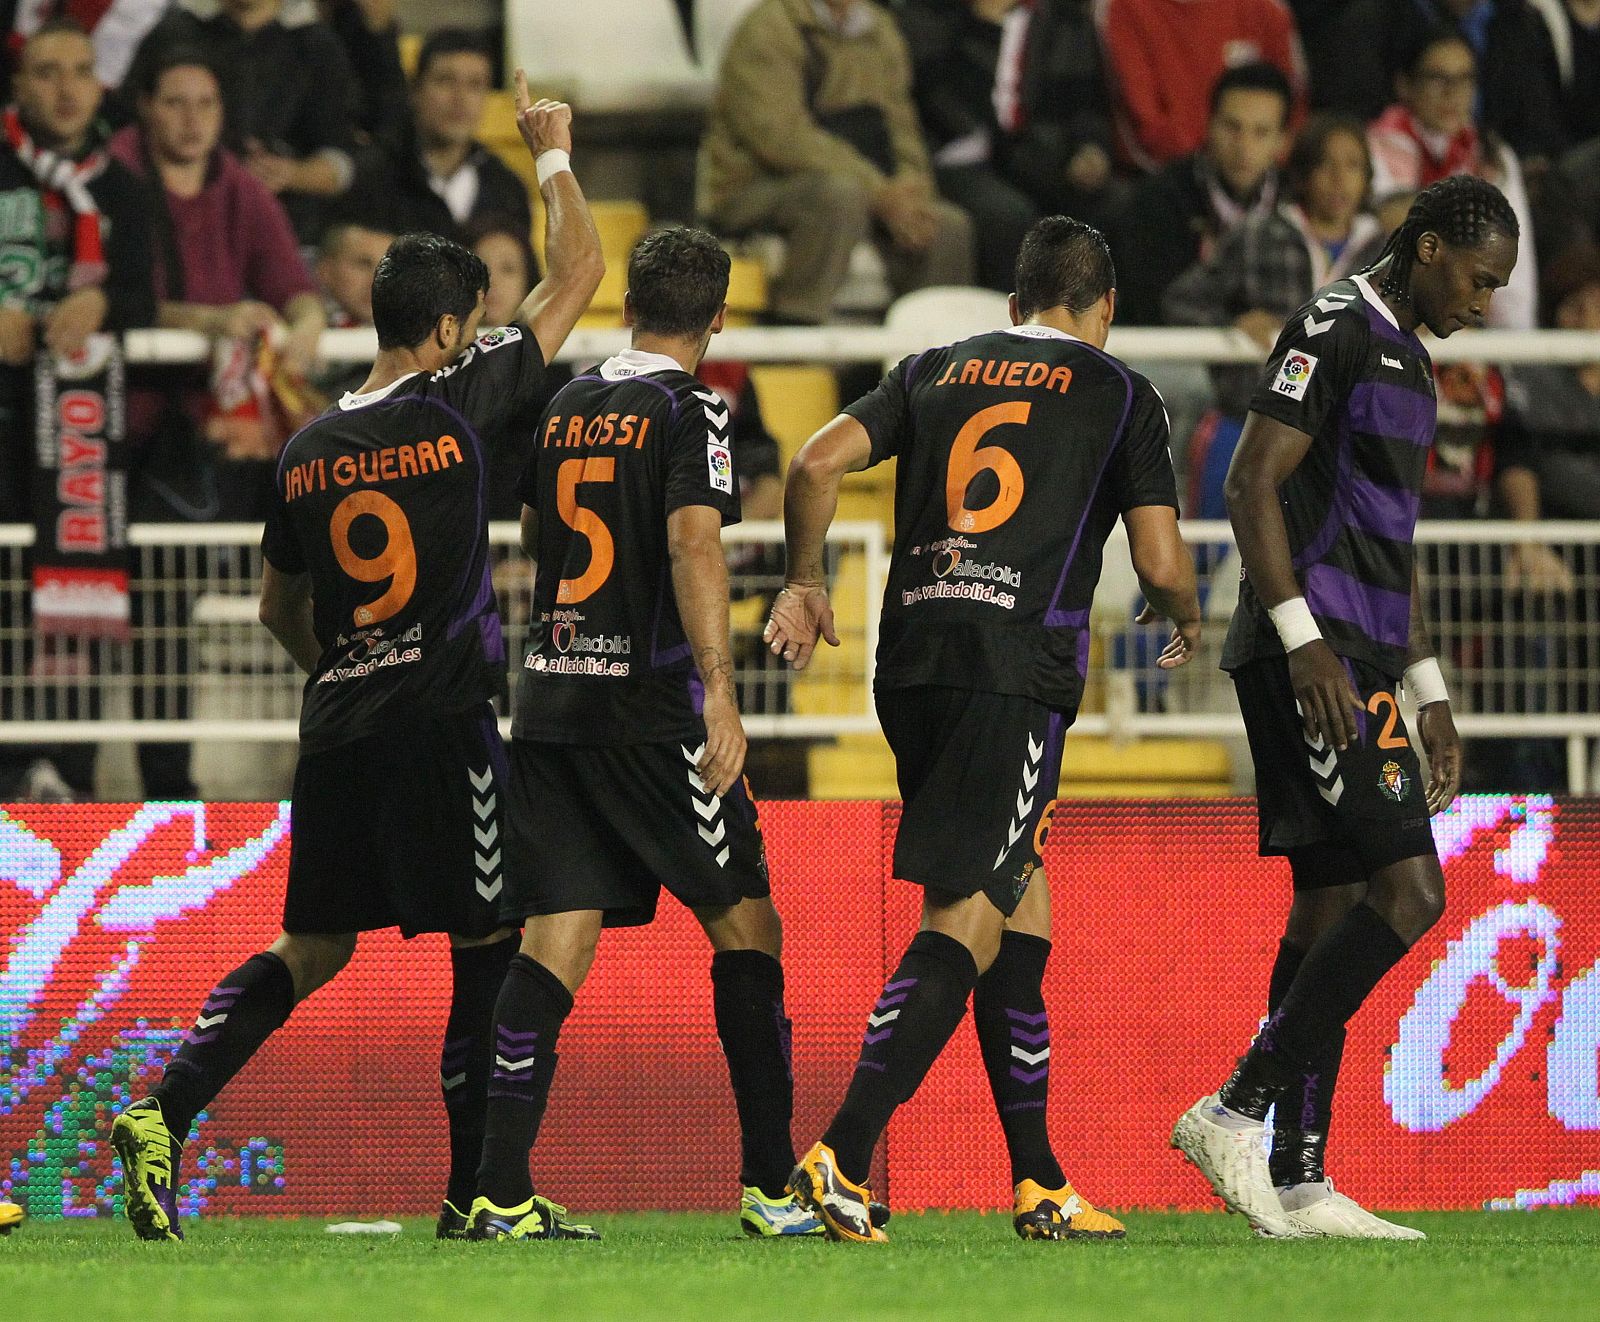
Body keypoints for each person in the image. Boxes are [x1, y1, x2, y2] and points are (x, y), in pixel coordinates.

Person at [107, 77, 605, 1245]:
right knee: (490, 939)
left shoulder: (305, 447)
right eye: (469, 322)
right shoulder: (457, 402)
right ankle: (480, 1190)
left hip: (338, 724)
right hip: (443, 722)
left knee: (313, 944)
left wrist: (343, 666)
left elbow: (280, 601)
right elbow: (578, 274)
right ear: (443, 332)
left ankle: (163, 1107)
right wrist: (550, 158)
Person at [765, 217, 1202, 1242]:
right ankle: (840, 1153)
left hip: (909, 661)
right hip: (1011, 670)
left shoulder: (932, 366)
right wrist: (1181, 612)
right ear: (1105, 311)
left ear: (1012, 306)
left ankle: (1040, 1176)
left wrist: (802, 576)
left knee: (1019, 902)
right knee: (965, 911)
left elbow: (816, 463)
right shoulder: (1118, 389)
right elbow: (1162, 556)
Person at [1170, 175, 1520, 1239]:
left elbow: (1385, 544)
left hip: (1362, 651)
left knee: (1328, 904)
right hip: (1310, 654)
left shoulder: (1411, 353)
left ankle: (1299, 1174)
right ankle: (1234, 1105)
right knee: (1411, 890)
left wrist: (1431, 691)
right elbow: (1247, 484)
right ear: (1423, 249)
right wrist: (1304, 642)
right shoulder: (1334, 323)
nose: (1486, 300)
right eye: (1476, 276)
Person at [467, 227, 822, 1242]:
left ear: (628, 303)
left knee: (558, 937)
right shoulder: (693, 406)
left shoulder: (569, 399)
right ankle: (767, 1184)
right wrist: (719, 688)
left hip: (550, 698)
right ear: (717, 317)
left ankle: (496, 1188)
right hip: (647, 704)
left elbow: (538, 536)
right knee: (748, 926)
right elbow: (691, 539)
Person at [0, 18, 156, 802]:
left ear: (100, 84)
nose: (66, 89)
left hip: (78, 451)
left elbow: (143, 297)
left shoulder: (122, 184)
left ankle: (73, 792)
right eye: (48, 72)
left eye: (80, 72)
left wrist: (101, 304)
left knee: (78, 620)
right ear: (20, 86)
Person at [698, 0, 974, 325]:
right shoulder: (769, 27)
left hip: (864, 187)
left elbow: (901, 125)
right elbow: (782, 138)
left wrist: (913, 191)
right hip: (754, 187)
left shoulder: (879, 29)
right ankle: (796, 333)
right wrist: (879, 193)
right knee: (837, 198)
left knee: (946, 226)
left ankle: (933, 356)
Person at [1163, 115, 1385, 511]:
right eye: (1325, 164)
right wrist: (1231, 322)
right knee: (1210, 554)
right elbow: (1182, 299)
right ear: (1301, 174)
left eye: (1352, 165)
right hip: (1250, 416)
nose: (1339, 178)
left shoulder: (1385, 253)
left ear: (1368, 177)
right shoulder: (1258, 234)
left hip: (1346, 429)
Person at [898, 0, 1116, 291]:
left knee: (1116, 208)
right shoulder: (930, 13)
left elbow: (1087, 102)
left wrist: (1091, 147)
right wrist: (983, 27)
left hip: (1041, 156)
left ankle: (1109, 328)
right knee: (1010, 218)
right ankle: (1015, 328)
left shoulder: (1064, 17)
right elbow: (937, 102)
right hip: (956, 157)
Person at [129, 0, 359, 242]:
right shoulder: (174, 35)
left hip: (289, 232)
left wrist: (290, 174)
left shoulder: (317, 47)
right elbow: (129, 134)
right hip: (177, 227)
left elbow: (341, 160)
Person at [1367, 28, 1538, 329]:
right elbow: (1393, 232)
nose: (1452, 93)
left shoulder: (1493, 156)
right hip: (1390, 318)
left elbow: (1516, 263)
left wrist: (1512, 342)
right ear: (1405, 84)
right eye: (1438, 78)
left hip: (1475, 332)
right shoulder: (1373, 148)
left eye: (1464, 79)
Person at [1111, 63, 1292, 327]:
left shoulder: (1298, 201)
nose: (1244, 146)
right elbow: (1151, 304)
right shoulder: (1159, 201)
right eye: (1232, 127)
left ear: (1282, 141)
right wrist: (1231, 325)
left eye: (1261, 132)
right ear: (1209, 124)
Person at [341, 28, 533, 245]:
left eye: (475, 85)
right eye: (445, 81)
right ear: (415, 91)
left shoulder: (507, 190)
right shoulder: (372, 178)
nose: (460, 98)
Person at [1095, 0, 1306, 172]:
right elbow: (1144, 130)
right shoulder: (1121, 8)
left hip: (1267, 182)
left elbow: (1295, 112)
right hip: (1166, 185)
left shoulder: (1267, 8)